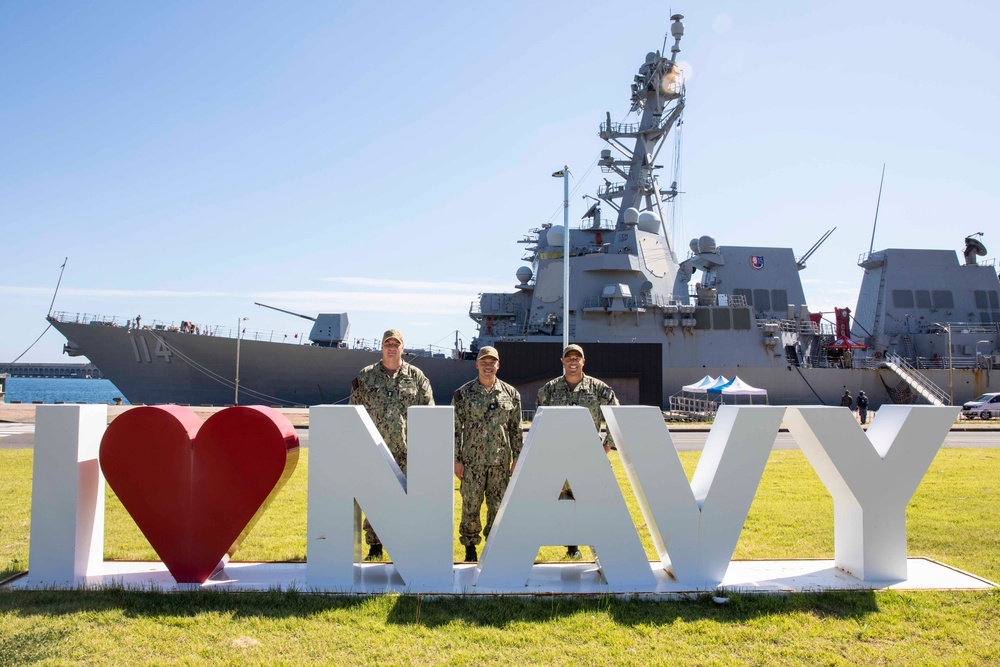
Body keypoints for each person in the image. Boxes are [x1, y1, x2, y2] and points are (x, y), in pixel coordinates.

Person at [349, 329, 434, 560]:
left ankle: (406, 548)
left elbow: (429, 414)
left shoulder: (417, 377)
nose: (392, 347)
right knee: (375, 499)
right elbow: (353, 414)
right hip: (374, 451)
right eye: (388, 343)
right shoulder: (365, 377)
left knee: (409, 501)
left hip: (407, 452)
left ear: (402, 348)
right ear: (382, 347)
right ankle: (375, 547)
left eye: (396, 344)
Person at [536, 343, 619, 559]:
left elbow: (614, 416)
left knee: (594, 503)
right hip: (558, 457)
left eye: (577, 358)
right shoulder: (549, 390)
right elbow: (540, 420)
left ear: (583, 361)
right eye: (568, 358)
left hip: (589, 457)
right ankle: (571, 547)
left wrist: (606, 446)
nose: (573, 361)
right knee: (562, 502)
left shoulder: (599, 389)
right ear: (563, 361)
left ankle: (603, 552)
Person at [452, 346, 523, 563]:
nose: (487, 366)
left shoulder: (511, 394)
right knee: (471, 505)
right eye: (484, 362)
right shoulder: (463, 394)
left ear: (498, 365)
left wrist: (517, 459)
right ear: (477, 364)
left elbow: (516, 429)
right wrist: (456, 459)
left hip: (500, 462)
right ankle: (470, 549)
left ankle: (494, 550)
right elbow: (454, 428)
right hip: (472, 463)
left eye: (492, 362)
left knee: (498, 507)